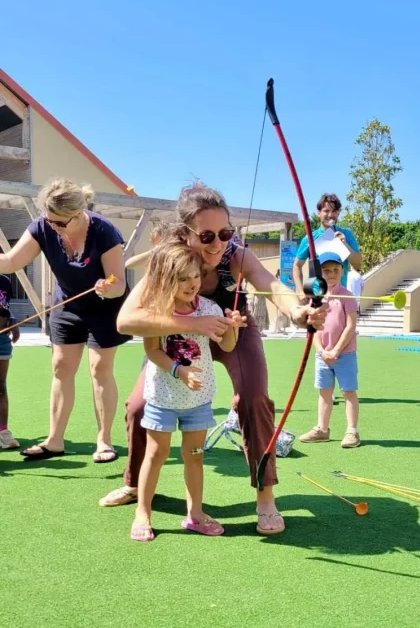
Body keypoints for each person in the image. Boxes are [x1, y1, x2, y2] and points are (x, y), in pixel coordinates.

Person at [101, 182, 327, 536]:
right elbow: (126, 320)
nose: (219, 243)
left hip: (231, 329)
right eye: (207, 236)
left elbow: (272, 284)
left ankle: (265, 496)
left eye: (225, 232)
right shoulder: (169, 259)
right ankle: (134, 484)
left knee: (253, 399)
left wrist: (299, 312)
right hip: (179, 335)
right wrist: (192, 323)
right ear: (185, 232)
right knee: (138, 407)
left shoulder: (236, 254)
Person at [0, 178, 130, 462]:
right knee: (61, 368)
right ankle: (54, 440)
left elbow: (119, 282)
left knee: (100, 370)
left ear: (79, 213)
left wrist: (109, 287)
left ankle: (104, 441)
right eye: (49, 220)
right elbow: (10, 262)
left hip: (105, 306)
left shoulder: (104, 230)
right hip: (67, 305)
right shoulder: (42, 226)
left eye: (60, 223)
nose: (53, 226)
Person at [130, 239, 245, 541]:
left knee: (194, 455)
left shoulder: (209, 307)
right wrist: (179, 371)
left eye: (195, 275)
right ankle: (143, 511)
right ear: (165, 279)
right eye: (182, 278)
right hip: (163, 397)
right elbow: (153, 352)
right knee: (156, 453)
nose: (191, 283)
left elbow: (228, 346)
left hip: (198, 399)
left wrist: (231, 326)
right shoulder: (156, 313)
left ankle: (195, 514)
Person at [299, 252, 360, 448]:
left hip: (345, 354)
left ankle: (352, 431)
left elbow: (350, 327)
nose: (331, 274)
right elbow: (312, 327)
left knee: (348, 391)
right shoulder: (316, 298)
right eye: (326, 271)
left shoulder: (347, 296)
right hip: (323, 355)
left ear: (342, 270)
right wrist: (322, 351)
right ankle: (322, 429)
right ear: (320, 274)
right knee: (325, 392)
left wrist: (335, 351)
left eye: (335, 270)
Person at [293, 193, 362, 294]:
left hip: (340, 296)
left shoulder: (347, 234)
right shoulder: (310, 238)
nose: (330, 215)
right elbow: (297, 266)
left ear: (338, 213)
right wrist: (300, 292)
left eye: (334, 211)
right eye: (326, 211)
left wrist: (345, 244)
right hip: (316, 296)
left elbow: (358, 264)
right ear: (318, 213)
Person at [0, 274, 20, 450]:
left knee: (0, 386)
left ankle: (3, 432)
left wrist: (12, 320)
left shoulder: (4, 281)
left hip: (2, 340)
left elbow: (5, 307)